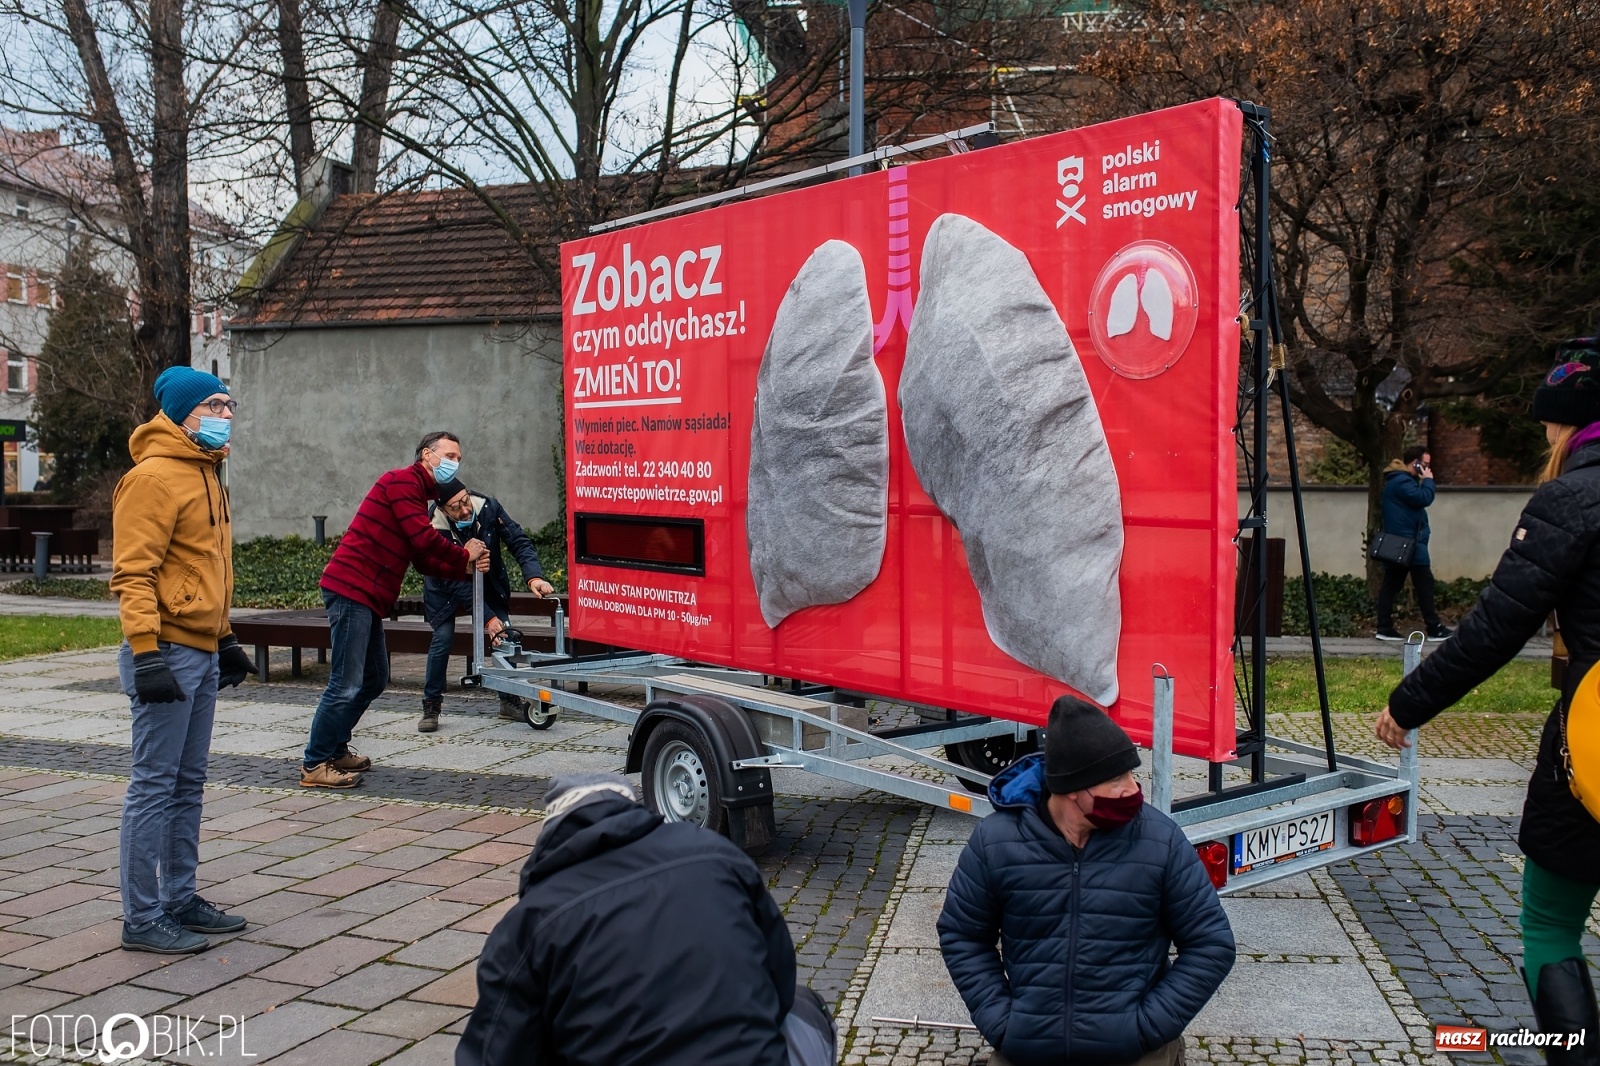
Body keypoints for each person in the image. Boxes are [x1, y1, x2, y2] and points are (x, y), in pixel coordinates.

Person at [1375, 341, 1600, 1062]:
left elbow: (1496, 630)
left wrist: (1408, 703)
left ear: (1572, 423)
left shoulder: (1571, 499)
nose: (1544, 439)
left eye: (1549, 427)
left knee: (1551, 925)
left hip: (1591, 746)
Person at [458, 773, 837, 1066]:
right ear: (630, 808)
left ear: (552, 835)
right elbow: (780, 979)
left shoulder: (529, 923)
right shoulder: (715, 854)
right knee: (805, 1007)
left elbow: (493, 1053)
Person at [939, 695, 1236, 1066]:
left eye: (1131, 773)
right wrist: (1002, 1024)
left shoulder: (1161, 841)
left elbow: (1212, 944)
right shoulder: (995, 842)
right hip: (1029, 1049)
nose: (1132, 789)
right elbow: (962, 935)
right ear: (1072, 789)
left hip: (1135, 1052)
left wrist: (1147, 1029)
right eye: (1116, 780)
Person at [110, 366, 258, 954]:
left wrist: (223, 639)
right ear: (183, 414)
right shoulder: (153, 479)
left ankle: (179, 897)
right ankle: (141, 917)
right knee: (153, 784)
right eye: (215, 405)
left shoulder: (208, 474)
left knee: (188, 782)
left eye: (229, 405)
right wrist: (146, 654)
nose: (226, 415)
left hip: (198, 648)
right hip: (164, 652)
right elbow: (135, 574)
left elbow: (207, 567)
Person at [300, 431, 491, 788]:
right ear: (426, 455)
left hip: (367, 595)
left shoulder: (418, 496)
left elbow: (420, 558)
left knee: (373, 677)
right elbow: (423, 539)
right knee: (346, 681)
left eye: (459, 458)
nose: (454, 463)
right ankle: (315, 763)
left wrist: (461, 569)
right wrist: (464, 555)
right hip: (351, 588)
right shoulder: (401, 481)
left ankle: (336, 748)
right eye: (449, 455)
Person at [419, 478, 555, 732]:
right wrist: (486, 617)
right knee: (443, 639)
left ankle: (508, 699)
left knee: (506, 635)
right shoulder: (433, 528)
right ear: (443, 509)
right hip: (446, 588)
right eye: (455, 507)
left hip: (488, 583)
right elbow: (454, 583)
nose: (465, 510)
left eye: (465, 501)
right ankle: (431, 705)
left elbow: (518, 541)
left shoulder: (488, 507)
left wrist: (533, 576)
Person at [1375, 444, 1452, 642]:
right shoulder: (1402, 481)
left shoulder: (1401, 481)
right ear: (1414, 464)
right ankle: (1434, 628)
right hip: (1408, 543)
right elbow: (1423, 499)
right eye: (1424, 465)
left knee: (1392, 585)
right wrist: (1428, 481)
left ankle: (1384, 627)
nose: (1427, 469)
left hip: (1406, 543)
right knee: (1424, 584)